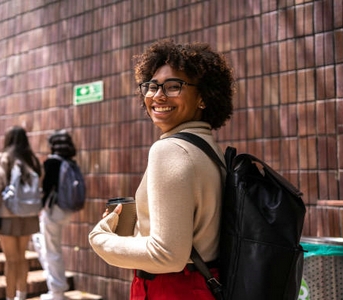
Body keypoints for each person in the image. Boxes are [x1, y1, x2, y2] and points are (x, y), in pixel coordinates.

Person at [88, 39, 235, 299]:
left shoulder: (169, 150)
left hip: (171, 290)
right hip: (205, 286)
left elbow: (167, 255)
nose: (158, 95)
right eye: (152, 86)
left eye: (173, 86)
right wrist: (135, 228)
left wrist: (101, 239)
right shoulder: (210, 149)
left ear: (202, 97)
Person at [0, 126, 42, 300]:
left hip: (7, 215)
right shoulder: (32, 160)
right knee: (22, 257)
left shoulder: (2, 158)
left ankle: (9, 297)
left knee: (11, 259)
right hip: (29, 214)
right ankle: (21, 295)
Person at [33, 129, 78, 300]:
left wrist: (39, 208)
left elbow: (46, 189)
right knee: (48, 246)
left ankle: (57, 291)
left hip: (53, 210)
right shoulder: (71, 162)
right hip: (66, 210)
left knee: (51, 250)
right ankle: (56, 287)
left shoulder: (52, 162)